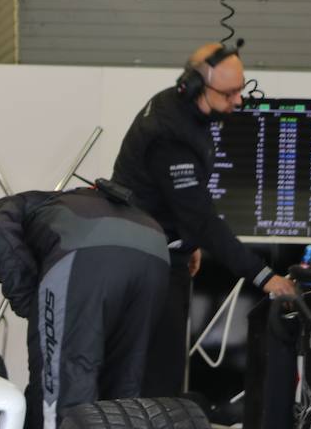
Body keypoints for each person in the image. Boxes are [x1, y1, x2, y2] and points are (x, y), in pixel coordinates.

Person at [111, 40, 297, 397]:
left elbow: (181, 206)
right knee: (158, 378)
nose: (238, 101)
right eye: (229, 93)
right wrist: (265, 277)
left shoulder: (181, 106)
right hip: (147, 261)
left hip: (161, 248)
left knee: (159, 372)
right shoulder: (170, 135)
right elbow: (202, 219)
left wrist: (187, 242)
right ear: (197, 86)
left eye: (240, 90)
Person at [0, 185, 170, 429]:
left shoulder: (12, 210)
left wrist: (32, 302)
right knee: (124, 392)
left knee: (65, 387)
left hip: (86, 250)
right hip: (155, 250)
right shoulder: (66, 205)